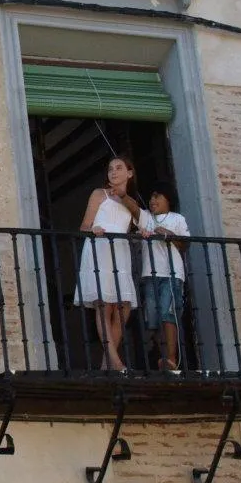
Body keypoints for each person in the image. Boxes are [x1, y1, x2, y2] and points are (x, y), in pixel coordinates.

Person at [74, 155, 141, 372]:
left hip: (119, 254)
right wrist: (93, 230)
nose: (113, 172)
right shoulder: (99, 194)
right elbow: (84, 226)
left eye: (119, 168)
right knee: (104, 307)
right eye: (110, 169)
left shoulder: (131, 203)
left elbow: (141, 224)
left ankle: (106, 363)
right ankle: (116, 362)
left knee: (124, 308)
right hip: (100, 251)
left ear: (129, 173)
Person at [138, 183, 190, 374]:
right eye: (151, 197)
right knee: (153, 318)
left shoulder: (177, 219)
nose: (153, 200)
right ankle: (160, 356)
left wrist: (168, 235)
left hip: (171, 274)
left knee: (168, 315)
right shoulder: (145, 218)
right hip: (150, 274)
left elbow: (185, 245)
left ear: (168, 199)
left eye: (158, 196)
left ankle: (171, 358)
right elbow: (132, 209)